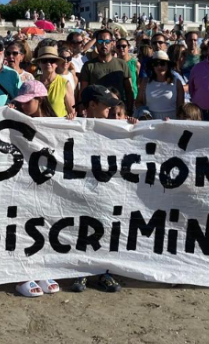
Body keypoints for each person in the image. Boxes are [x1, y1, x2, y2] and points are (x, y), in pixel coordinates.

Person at [70, 85, 125, 294]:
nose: (110, 110)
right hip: (81, 186)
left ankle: (104, 271)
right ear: (92, 105)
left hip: (107, 187)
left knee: (106, 225)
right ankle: (80, 270)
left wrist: (133, 128)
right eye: (106, 106)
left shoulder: (115, 128)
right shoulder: (76, 126)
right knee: (81, 226)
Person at [80, 30, 133, 112]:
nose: (104, 45)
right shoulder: (88, 66)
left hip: (117, 112)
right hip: (97, 112)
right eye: (100, 41)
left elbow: (129, 90)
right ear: (96, 44)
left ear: (112, 43)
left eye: (107, 41)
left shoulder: (122, 64)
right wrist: (82, 111)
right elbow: (83, 93)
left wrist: (129, 110)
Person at [137, 50, 184, 120]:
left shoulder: (177, 83)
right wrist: (144, 112)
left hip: (171, 121)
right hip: (151, 121)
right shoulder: (145, 82)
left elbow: (180, 106)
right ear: (152, 67)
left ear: (168, 65)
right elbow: (138, 102)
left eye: (162, 63)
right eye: (155, 64)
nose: (159, 67)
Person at [35, 45, 76, 119]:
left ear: (57, 63)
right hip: (38, 127)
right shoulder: (34, 83)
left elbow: (72, 111)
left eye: (52, 60)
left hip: (58, 128)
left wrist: (70, 116)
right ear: (39, 63)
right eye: (44, 61)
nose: (48, 63)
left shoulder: (65, 83)